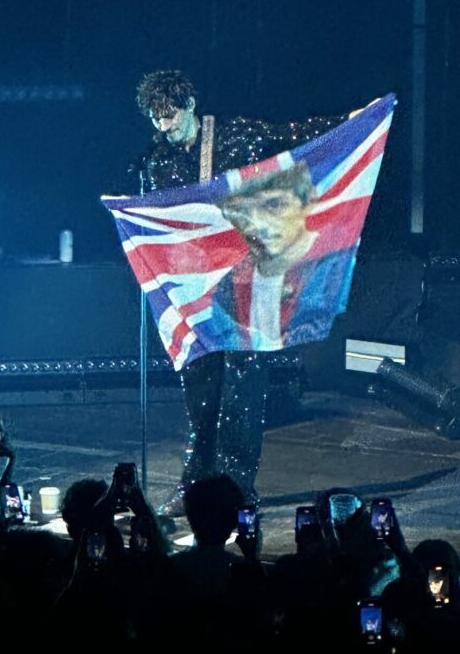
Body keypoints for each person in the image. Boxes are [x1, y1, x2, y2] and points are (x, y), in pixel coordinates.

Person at [128, 69, 351, 517]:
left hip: (250, 281)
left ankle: (235, 488)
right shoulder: (156, 163)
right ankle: (195, 483)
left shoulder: (237, 137)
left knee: (242, 388)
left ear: (190, 104)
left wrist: (352, 120)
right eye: (155, 118)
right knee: (201, 386)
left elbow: (297, 136)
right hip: (196, 287)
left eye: (169, 115)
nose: (164, 126)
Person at [208, 160, 355, 352]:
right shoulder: (227, 284)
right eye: (241, 211)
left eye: (274, 204)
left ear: (308, 199)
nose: (258, 223)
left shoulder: (340, 268)